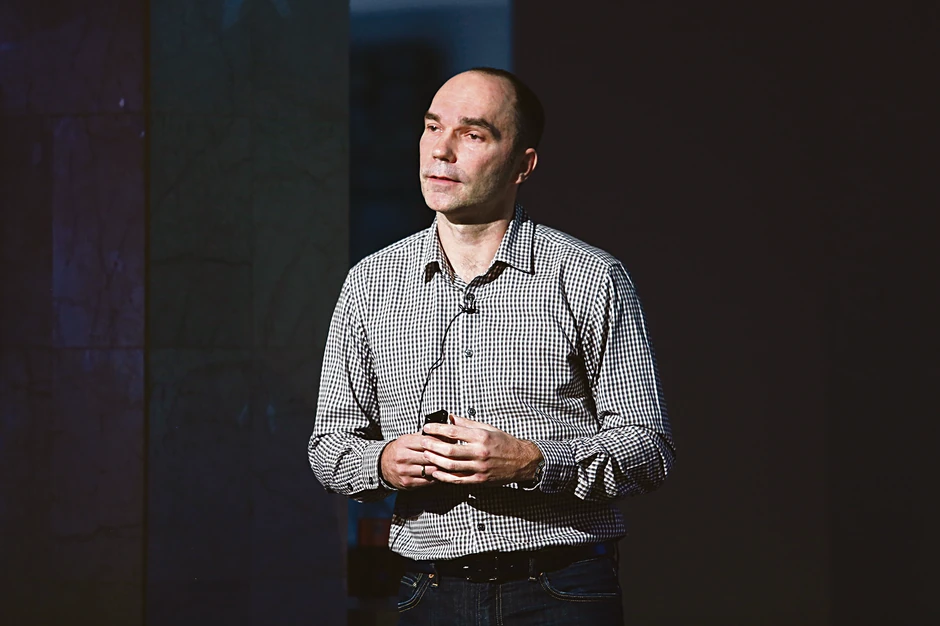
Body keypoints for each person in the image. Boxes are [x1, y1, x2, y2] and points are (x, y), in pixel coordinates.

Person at [309, 67, 675, 625]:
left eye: (473, 134)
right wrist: (383, 461)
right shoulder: (371, 283)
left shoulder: (588, 275)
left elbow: (649, 448)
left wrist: (533, 462)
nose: (442, 151)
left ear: (523, 165)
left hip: (560, 585)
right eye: (433, 127)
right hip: (429, 589)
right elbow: (329, 447)